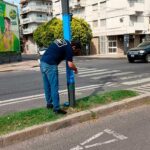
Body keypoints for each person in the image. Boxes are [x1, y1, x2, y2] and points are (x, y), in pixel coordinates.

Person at [40, 39, 79, 114]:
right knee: (54, 87)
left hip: (42, 62)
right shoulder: (69, 48)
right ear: (74, 47)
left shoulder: (64, 42)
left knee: (47, 85)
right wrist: (75, 69)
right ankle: (56, 108)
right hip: (50, 64)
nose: (75, 52)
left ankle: (49, 104)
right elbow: (70, 64)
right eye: (76, 50)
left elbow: (57, 52)